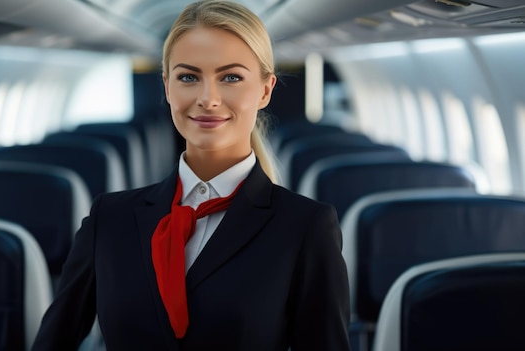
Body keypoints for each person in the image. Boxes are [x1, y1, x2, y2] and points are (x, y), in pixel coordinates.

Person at [31, 1, 350, 350]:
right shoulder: (109, 220)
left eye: (230, 77)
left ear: (264, 90)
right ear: (167, 87)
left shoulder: (305, 227)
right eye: (188, 77)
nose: (208, 98)